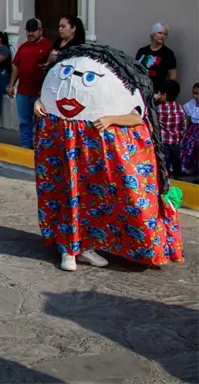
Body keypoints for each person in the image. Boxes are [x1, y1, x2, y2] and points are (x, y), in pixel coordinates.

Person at [34, 44, 183, 271]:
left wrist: (111, 118)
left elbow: (138, 118)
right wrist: (39, 103)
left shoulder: (123, 85)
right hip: (67, 149)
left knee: (92, 200)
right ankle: (69, 248)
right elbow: (49, 96)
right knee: (66, 194)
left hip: (97, 156)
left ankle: (86, 246)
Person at [7, 19, 53, 148]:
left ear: (40, 30)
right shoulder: (23, 46)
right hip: (23, 92)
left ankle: (40, 147)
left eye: (33, 31)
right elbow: (16, 66)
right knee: (24, 122)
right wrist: (11, 85)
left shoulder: (48, 46)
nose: (30, 34)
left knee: (40, 123)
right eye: (28, 31)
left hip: (39, 94)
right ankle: (26, 147)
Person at [136, 22, 177, 93]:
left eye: (165, 34)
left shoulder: (168, 54)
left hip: (156, 93)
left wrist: (167, 94)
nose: (162, 36)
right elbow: (135, 70)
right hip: (140, 90)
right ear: (153, 34)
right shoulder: (142, 51)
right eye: (160, 33)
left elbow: (173, 77)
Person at [157, 80, 185, 179]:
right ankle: (179, 178)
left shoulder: (159, 108)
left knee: (165, 162)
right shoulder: (180, 107)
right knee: (177, 160)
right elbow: (183, 125)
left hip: (164, 141)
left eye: (160, 93)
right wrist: (181, 136)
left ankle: (166, 179)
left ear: (164, 95)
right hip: (176, 140)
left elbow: (156, 124)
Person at [181, 82, 199, 175]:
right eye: (194, 93)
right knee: (187, 145)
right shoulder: (192, 103)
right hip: (193, 129)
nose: (195, 96)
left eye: (197, 94)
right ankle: (186, 166)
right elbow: (184, 113)